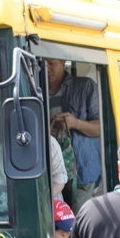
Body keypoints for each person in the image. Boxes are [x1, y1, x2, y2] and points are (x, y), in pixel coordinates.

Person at [47, 59, 102, 212]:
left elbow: (101, 129)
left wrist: (75, 123)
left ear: (63, 61)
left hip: (81, 173)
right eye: (42, 63)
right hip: (49, 173)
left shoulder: (85, 86)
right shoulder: (35, 89)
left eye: (51, 63)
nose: (46, 68)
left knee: (77, 222)